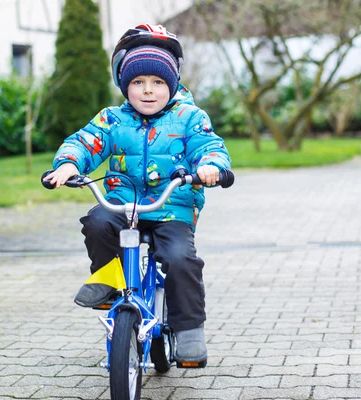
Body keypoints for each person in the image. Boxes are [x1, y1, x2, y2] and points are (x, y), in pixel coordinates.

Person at [43, 24, 231, 366]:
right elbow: (85, 141)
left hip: (171, 209)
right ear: (125, 86)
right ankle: (108, 279)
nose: (148, 91)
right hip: (122, 204)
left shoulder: (189, 118)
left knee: (179, 259)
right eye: (138, 83)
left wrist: (211, 166)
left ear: (171, 85)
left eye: (158, 82)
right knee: (97, 222)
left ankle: (189, 330)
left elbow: (209, 146)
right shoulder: (112, 120)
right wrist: (69, 164)